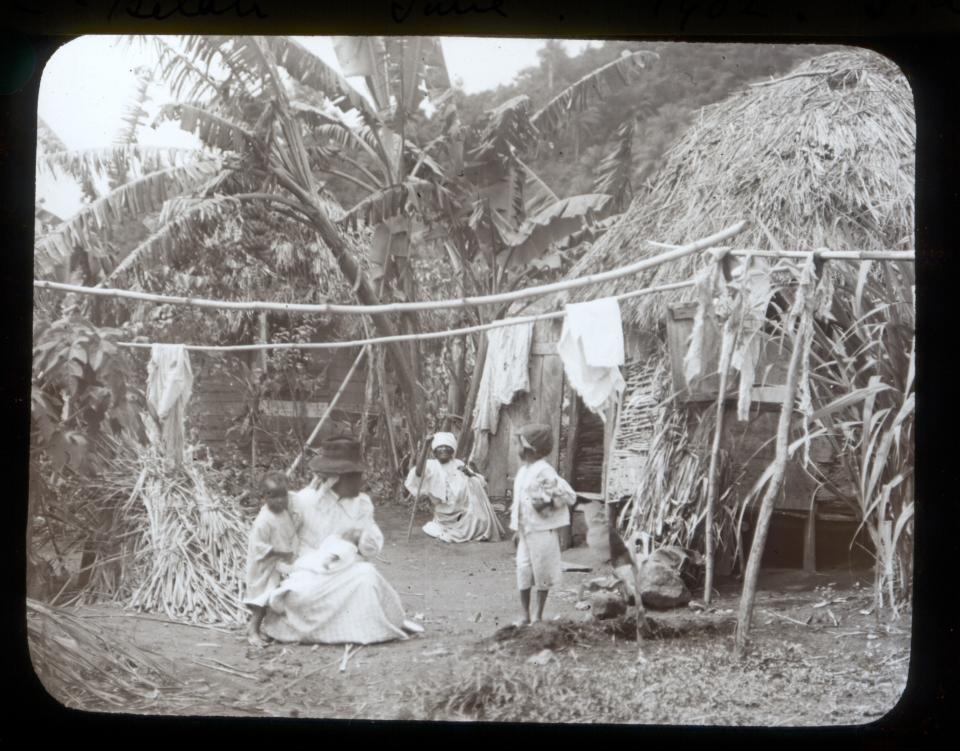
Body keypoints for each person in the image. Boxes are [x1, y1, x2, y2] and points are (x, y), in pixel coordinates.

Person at [262, 436, 422, 645]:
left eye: (359, 475)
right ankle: (337, 629)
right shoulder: (304, 501)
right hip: (310, 572)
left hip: (348, 571)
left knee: (367, 577)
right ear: (334, 478)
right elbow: (279, 534)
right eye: (353, 476)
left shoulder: (362, 504)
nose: (360, 481)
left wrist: (358, 537)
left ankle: (363, 629)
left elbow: (372, 548)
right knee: (300, 595)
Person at [509, 423, 577, 626]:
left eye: (519, 443)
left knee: (541, 571)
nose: (517, 447)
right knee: (523, 568)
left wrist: (548, 503)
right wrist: (517, 529)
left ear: (530, 447)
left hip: (542, 531)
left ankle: (537, 614)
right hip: (526, 531)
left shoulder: (545, 471)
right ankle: (524, 613)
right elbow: (519, 503)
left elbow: (569, 496)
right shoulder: (523, 472)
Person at [404, 432, 504, 543]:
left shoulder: (458, 463)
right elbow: (418, 473)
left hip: (463, 508)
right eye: (440, 447)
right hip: (445, 511)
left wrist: (470, 475)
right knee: (469, 526)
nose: (443, 449)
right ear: (435, 451)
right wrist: (426, 446)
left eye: (447, 447)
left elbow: (480, 482)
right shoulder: (431, 465)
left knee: (482, 521)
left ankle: (470, 527)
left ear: (452, 451)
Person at [243, 471, 299, 646]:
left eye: (283, 496)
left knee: (272, 599)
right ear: (264, 497)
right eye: (274, 497)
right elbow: (258, 546)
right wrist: (281, 553)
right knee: (261, 603)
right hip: (264, 566)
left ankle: (268, 629)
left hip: (277, 564)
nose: (280, 500)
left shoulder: (282, 512)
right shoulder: (263, 520)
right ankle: (252, 631)